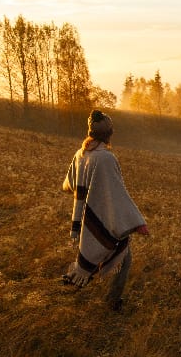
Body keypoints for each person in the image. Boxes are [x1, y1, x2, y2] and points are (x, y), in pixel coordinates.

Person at [62, 110, 149, 311]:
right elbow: (117, 194)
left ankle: (76, 280)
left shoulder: (80, 154)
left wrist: (85, 195)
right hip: (101, 216)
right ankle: (112, 300)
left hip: (85, 216)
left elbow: (70, 184)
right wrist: (138, 223)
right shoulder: (106, 159)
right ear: (109, 134)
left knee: (94, 251)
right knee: (123, 256)